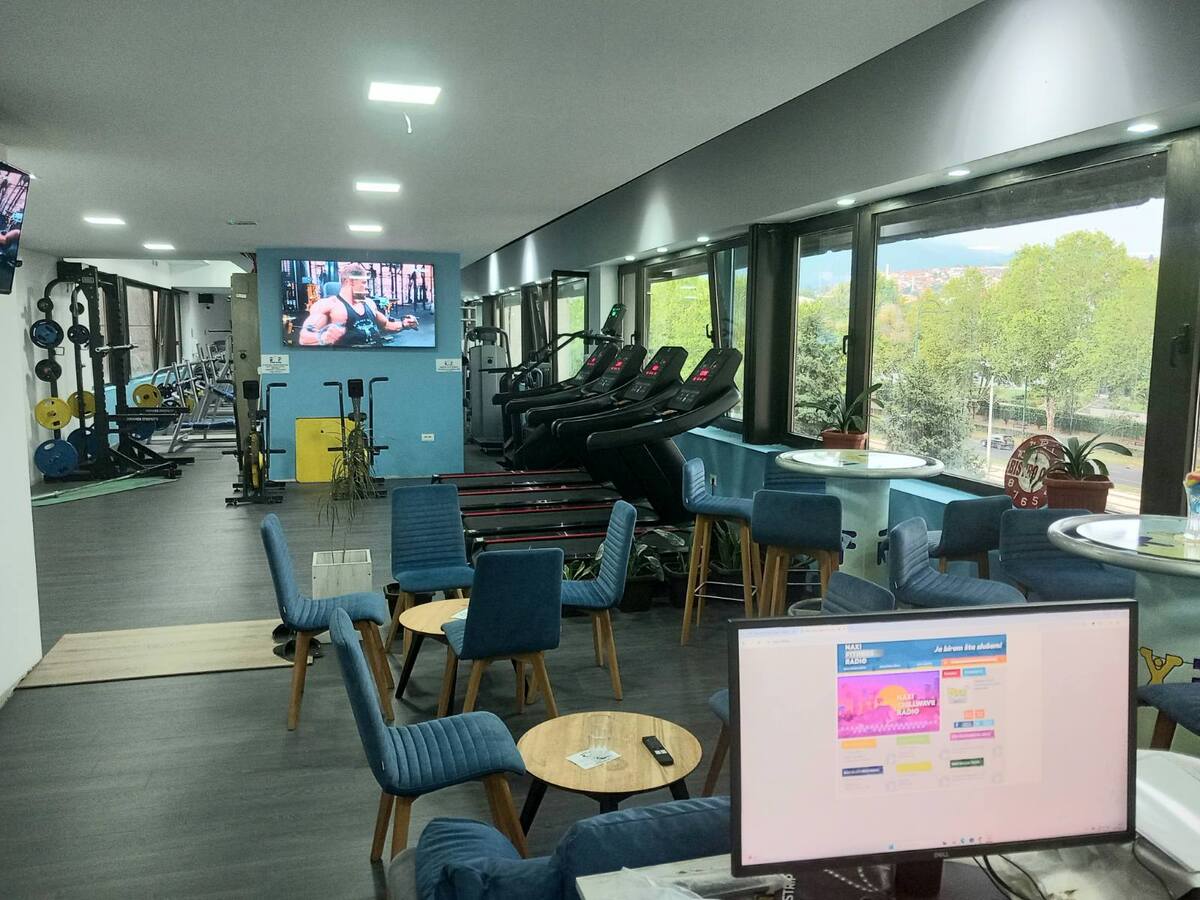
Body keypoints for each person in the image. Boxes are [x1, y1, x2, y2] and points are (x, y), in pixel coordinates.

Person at [297, 263, 417, 346]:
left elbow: (386, 325)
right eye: (363, 283)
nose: (367, 287)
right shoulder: (329, 305)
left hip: (377, 361)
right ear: (350, 281)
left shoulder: (369, 303)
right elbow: (304, 338)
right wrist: (322, 338)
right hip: (348, 365)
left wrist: (404, 324)